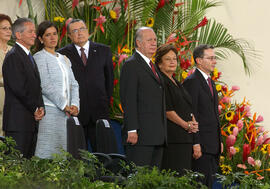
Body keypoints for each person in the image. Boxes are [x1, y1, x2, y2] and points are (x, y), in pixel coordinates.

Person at [58, 19, 113, 152]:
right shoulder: (62, 54)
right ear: (70, 36)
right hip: (76, 113)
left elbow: (109, 80)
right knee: (77, 153)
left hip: (99, 111)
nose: (80, 33)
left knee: (103, 153)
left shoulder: (103, 50)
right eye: (75, 31)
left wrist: (105, 103)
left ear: (88, 31)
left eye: (82, 29)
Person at [120, 27, 167, 168]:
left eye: (155, 40)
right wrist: (132, 129)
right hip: (140, 136)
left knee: (152, 180)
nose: (154, 43)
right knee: (139, 179)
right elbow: (129, 99)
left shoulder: (153, 66)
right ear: (138, 43)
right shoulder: (131, 65)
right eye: (149, 40)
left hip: (157, 135)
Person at [33, 21, 80, 158]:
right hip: (50, 113)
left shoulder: (64, 58)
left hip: (67, 115)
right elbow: (45, 85)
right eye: (48, 35)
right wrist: (64, 105)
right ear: (41, 39)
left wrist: (75, 105)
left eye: (54, 34)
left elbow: (74, 84)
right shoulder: (39, 57)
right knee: (47, 154)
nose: (53, 38)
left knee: (64, 155)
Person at [2, 18, 44, 158]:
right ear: (18, 35)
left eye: (34, 31)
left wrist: (40, 106)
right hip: (17, 123)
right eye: (30, 31)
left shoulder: (27, 55)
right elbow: (20, 88)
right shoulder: (13, 56)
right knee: (15, 167)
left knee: (27, 167)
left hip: (30, 122)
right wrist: (35, 108)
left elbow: (36, 86)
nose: (34, 35)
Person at [183, 44, 223, 188]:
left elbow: (213, 115)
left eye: (215, 58)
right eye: (210, 58)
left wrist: (220, 140)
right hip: (201, 147)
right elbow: (191, 114)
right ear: (199, 60)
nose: (214, 61)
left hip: (213, 146)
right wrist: (195, 142)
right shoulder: (192, 81)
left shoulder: (210, 82)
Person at [155, 44, 198, 175]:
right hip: (173, 139)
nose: (173, 61)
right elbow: (168, 110)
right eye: (168, 59)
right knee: (175, 177)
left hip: (185, 138)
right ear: (160, 64)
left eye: (174, 59)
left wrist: (193, 123)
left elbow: (186, 106)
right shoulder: (161, 81)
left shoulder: (175, 81)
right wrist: (186, 125)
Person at [0, 14, 12, 136]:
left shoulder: (13, 50)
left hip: (13, 103)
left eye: (10, 28)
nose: (8, 31)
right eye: (4, 28)